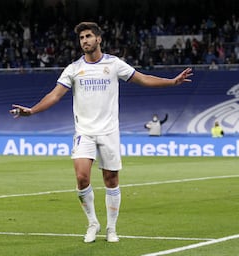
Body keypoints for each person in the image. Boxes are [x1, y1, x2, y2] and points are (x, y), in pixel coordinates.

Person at [10, 22, 193, 243]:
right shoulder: (74, 68)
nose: (84, 41)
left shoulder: (114, 64)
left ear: (98, 39)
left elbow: (143, 78)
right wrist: (32, 111)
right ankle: (92, 223)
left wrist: (172, 82)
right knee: (81, 177)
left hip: (109, 131)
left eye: (88, 36)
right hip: (84, 131)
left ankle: (111, 228)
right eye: (81, 38)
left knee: (111, 179)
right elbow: (55, 95)